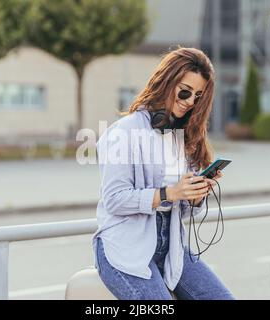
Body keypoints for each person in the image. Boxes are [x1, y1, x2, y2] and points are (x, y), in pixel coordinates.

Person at [92, 46, 234, 300]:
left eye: (198, 96)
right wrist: (170, 192)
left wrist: (195, 195)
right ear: (167, 82)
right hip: (124, 247)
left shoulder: (180, 135)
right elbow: (114, 199)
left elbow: (186, 209)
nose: (190, 101)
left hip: (172, 247)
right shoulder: (122, 132)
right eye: (185, 91)